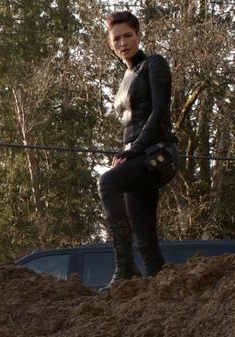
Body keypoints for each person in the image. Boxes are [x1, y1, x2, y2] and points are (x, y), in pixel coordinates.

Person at [99, 11, 178, 289]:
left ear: (139, 35)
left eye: (128, 35)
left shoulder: (153, 64)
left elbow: (159, 112)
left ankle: (124, 265)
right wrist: (126, 151)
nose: (123, 42)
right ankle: (166, 293)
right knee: (145, 239)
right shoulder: (126, 76)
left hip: (157, 154)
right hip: (137, 156)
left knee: (107, 182)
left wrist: (134, 151)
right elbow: (130, 125)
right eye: (116, 38)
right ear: (111, 43)